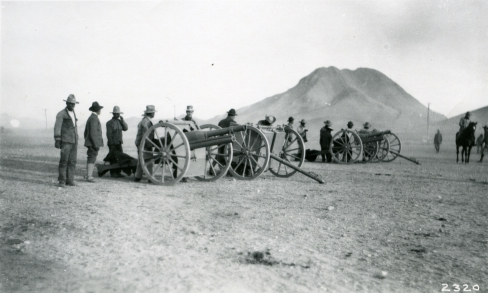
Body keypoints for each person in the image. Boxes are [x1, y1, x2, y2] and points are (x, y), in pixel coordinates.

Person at [54, 94, 79, 187]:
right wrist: (57, 139)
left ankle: (70, 180)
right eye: (71, 104)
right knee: (64, 161)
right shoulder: (61, 114)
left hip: (74, 141)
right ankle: (62, 180)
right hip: (65, 141)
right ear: (67, 103)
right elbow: (57, 127)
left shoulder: (73, 113)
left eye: (74, 104)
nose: (72, 105)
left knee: (72, 161)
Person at [135, 105, 156, 182]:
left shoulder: (145, 120)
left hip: (141, 143)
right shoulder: (146, 122)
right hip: (144, 143)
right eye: (153, 112)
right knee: (149, 160)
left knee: (141, 160)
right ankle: (150, 178)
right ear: (150, 113)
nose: (154, 114)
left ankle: (137, 177)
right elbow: (145, 135)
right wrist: (149, 145)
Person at [84, 102, 104, 182]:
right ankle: (89, 176)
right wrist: (96, 144)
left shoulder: (91, 118)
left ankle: (89, 175)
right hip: (93, 143)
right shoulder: (94, 118)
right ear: (97, 110)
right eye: (100, 109)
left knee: (91, 158)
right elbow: (93, 133)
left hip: (91, 142)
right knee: (91, 158)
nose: (100, 111)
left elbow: (86, 132)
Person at [106, 106, 128, 177]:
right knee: (113, 159)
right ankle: (113, 173)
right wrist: (111, 144)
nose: (117, 115)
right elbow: (109, 134)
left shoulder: (120, 122)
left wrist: (122, 120)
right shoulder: (109, 123)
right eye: (116, 114)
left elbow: (125, 128)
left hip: (119, 143)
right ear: (113, 114)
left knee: (120, 158)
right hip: (113, 144)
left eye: (118, 114)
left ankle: (118, 172)